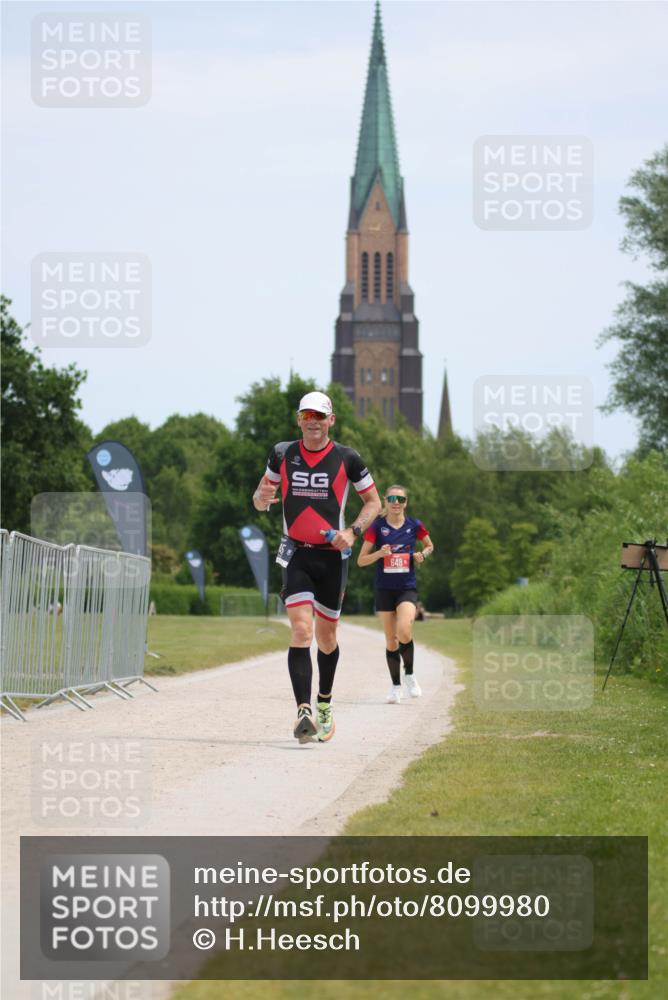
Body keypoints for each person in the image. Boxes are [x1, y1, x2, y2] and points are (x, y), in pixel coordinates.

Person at [252, 391, 381, 743]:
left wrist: (353, 532)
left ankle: (324, 702)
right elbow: (261, 497)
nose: (313, 421)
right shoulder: (282, 454)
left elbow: (374, 501)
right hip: (295, 554)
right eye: (307, 415)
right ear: (299, 419)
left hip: (331, 558)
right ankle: (303, 711)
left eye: (320, 416)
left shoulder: (347, 458)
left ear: (331, 420)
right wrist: (261, 499)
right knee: (301, 631)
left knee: (326, 639)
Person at [357, 484, 434, 703]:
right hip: (384, 589)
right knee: (391, 640)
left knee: (404, 630)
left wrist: (423, 555)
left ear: (405, 503)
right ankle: (395, 686)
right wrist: (380, 554)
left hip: (406, 587)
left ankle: (409, 674)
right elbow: (361, 560)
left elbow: (429, 546)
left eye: (400, 499)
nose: (396, 503)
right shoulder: (377, 527)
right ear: (386, 501)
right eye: (392, 498)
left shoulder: (414, 525)